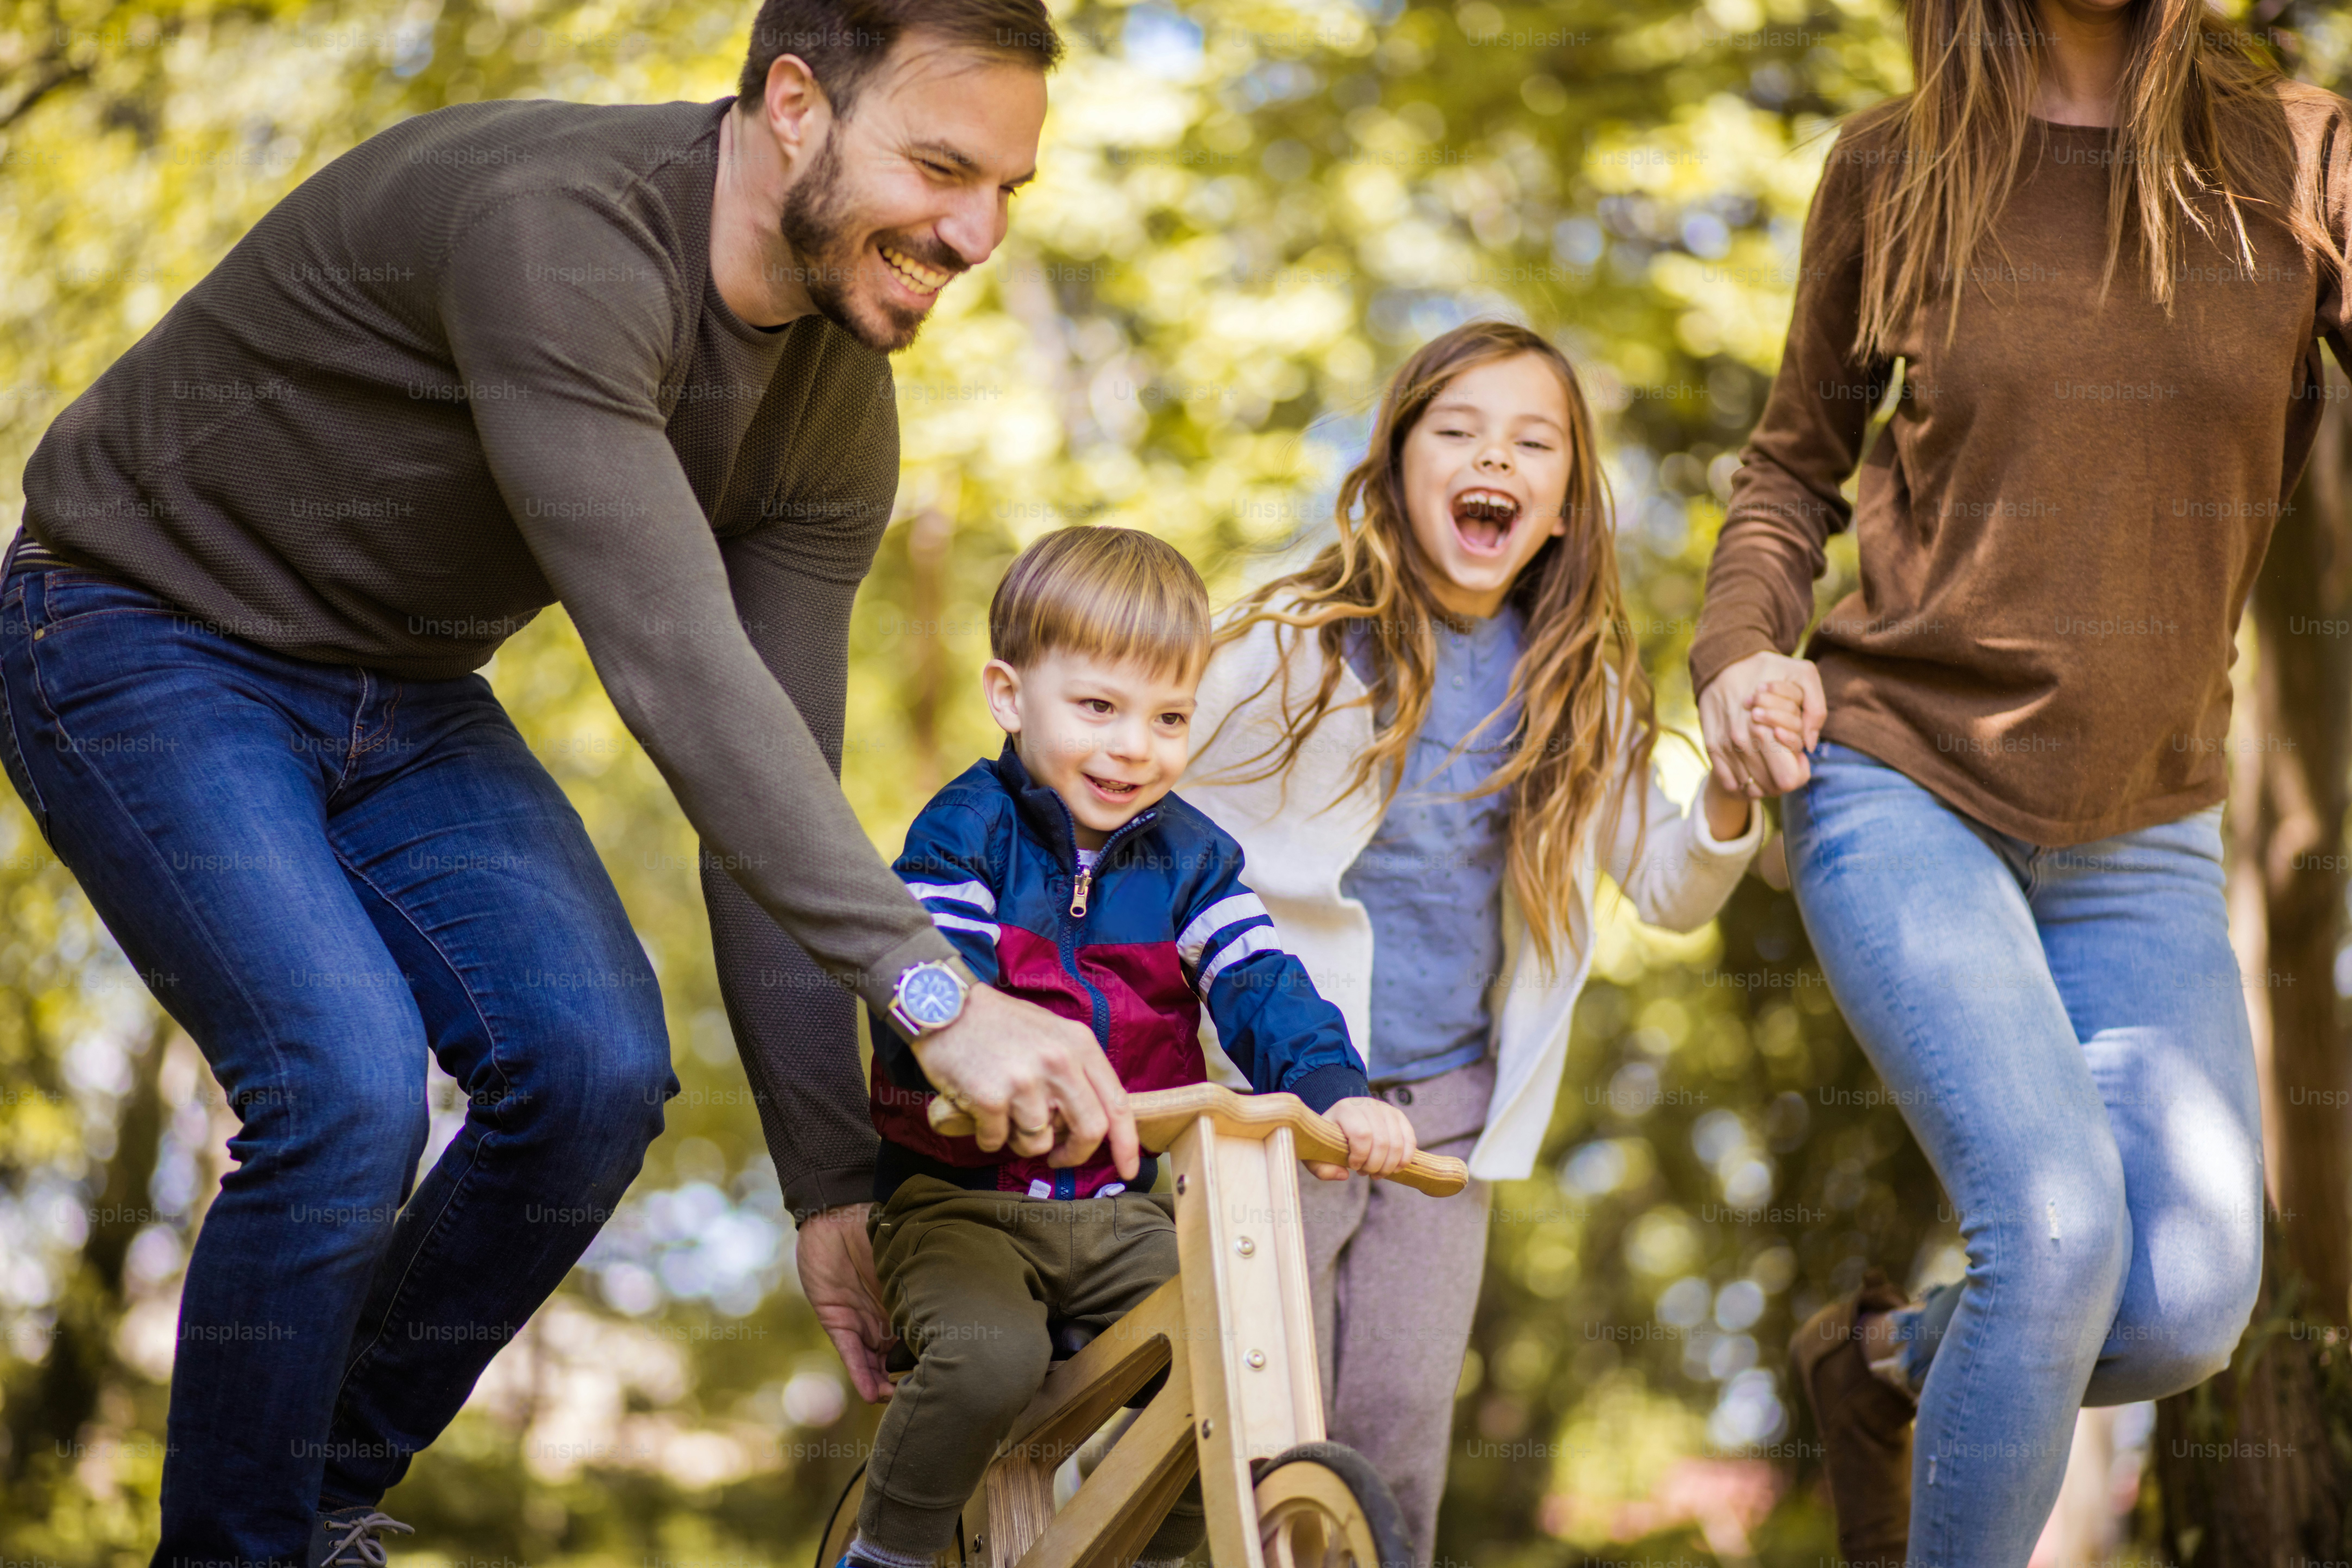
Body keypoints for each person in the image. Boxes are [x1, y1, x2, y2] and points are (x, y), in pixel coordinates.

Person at [0, 5, 1142, 1566]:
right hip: (138, 628)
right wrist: (940, 998)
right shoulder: (565, 236)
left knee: (596, 1072)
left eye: (1009, 187)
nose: (975, 230)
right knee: (342, 1085)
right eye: (942, 167)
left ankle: (308, 1498)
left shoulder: (834, 413)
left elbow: (768, 779)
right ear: (792, 103)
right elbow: (671, 664)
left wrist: (828, 1187)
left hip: (398, 692)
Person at [1690, 0, 2346, 1559]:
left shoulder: (2298, 155)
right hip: (1898, 775)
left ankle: (1874, 1372)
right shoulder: (1895, 168)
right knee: (2051, 1233)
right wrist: (1733, 655)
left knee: (2183, 1306)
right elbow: (1791, 467)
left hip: (2150, 825)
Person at [1180, 320, 1794, 1564]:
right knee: (1252, 1432)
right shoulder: (1294, 646)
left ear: (1564, 504)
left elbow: (1671, 890)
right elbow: (1150, 816)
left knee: (1394, 1439)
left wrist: (1729, 788)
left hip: (1445, 1122)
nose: (1491, 458)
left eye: (1530, 440)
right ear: (1399, 466)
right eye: (1455, 431)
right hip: (1280, 1106)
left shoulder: (1577, 688)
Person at [838, 526, 1417, 1568]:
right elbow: (929, 984)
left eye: (1168, 717)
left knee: (1233, 1360)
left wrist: (1336, 1091)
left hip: (1117, 1210)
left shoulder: (1192, 861)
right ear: (1011, 697)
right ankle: (890, 1553)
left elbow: (1257, 981)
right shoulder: (962, 832)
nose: (1132, 746)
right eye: (1097, 707)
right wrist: (959, 1055)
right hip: (960, 1200)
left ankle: (1149, 1549)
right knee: (985, 1363)